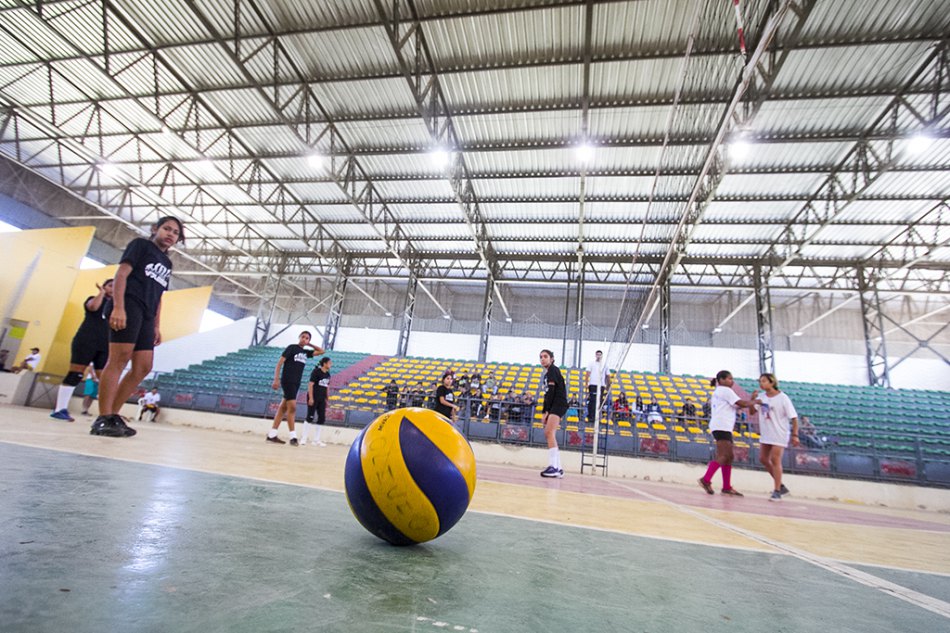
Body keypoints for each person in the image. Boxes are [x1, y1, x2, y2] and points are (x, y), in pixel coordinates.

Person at [92, 216, 183, 438]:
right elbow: (121, 274)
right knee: (120, 357)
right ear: (155, 229)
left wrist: (156, 325)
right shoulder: (140, 245)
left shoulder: (167, 263)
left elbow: (159, 295)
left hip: (147, 314)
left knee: (143, 366)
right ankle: (103, 417)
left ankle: (113, 414)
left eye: (175, 232)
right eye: (167, 228)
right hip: (129, 304)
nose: (170, 234)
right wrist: (118, 307)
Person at [51, 279, 114, 421]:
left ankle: (108, 414)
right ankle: (60, 409)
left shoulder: (117, 307)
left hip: (105, 345)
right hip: (86, 341)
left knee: (105, 379)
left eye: (116, 287)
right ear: (104, 287)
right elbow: (93, 307)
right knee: (76, 374)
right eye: (110, 286)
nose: (113, 289)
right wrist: (101, 293)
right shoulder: (93, 299)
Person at [698, 370, 759, 497]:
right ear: (721, 380)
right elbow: (741, 403)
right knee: (724, 455)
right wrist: (754, 401)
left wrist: (751, 401)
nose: (732, 381)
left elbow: (737, 405)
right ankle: (706, 479)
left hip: (722, 426)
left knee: (729, 456)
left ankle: (726, 486)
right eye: (729, 379)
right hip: (722, 426)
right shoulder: (726, 391)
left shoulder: (720, 392)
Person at [267, 331, 324, 446]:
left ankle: (272, 434)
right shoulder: (292, 348)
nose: (304, 339)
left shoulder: (305, 352)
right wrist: (276, 379)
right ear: (299, 337)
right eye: (303, 337)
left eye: (307, 338)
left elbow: (321, 351)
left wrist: (309, 344)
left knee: (283, 408)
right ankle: (293, 437)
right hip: (288, 380)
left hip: (296, 382)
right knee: (292, 407)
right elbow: (279, 363)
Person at [755, 373, 800, 501]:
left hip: (779, 432)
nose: (761, 383)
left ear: (772, 382)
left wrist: (795, 434)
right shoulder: (761, 397)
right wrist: (753, 400)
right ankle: (780, 485)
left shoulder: (783, 398)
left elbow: (794, 417)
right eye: (760, 381)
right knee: (763, 459)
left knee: (775, 459)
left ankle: (777, 491)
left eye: (764, 381)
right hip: (766, 432)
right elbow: (753, 411)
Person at [540, 349, 568, 478]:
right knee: (550, 433)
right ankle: (558, 468)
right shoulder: (547, 374)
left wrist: (546, 411)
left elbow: (551, 392)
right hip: (555, 405)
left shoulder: (553, 370)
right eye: (541, 357)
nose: (542, 359)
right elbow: (547, 395)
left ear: (551, 359)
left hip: (558, 404)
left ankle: (554, 467)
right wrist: (545, 411)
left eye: (545, 356)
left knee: (548, 432)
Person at [303, 356, 332, 446]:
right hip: (314, 396)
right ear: (324, 363)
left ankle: (316, 440)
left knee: (321, 418)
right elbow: (310, 384)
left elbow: (327, 387)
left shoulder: (328, 374)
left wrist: (327, 398)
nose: (331, 364)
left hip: (322, 398)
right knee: (310, 417)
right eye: (329, 363)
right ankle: (303, 438)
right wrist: (311, 397)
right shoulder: (316, 372)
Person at [585, 350, 608, 425]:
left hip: (601, 385)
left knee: (600, 401)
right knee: (592, 401)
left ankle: (598, 417)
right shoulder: (591, 363)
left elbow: (608, 375)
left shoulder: (604, 365)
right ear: (595, 355)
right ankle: (591, 417)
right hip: (593, 384)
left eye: (600, 355)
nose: (598, 356)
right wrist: (586, 384)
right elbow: (587, 373)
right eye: (597, 354)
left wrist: (607, 385)